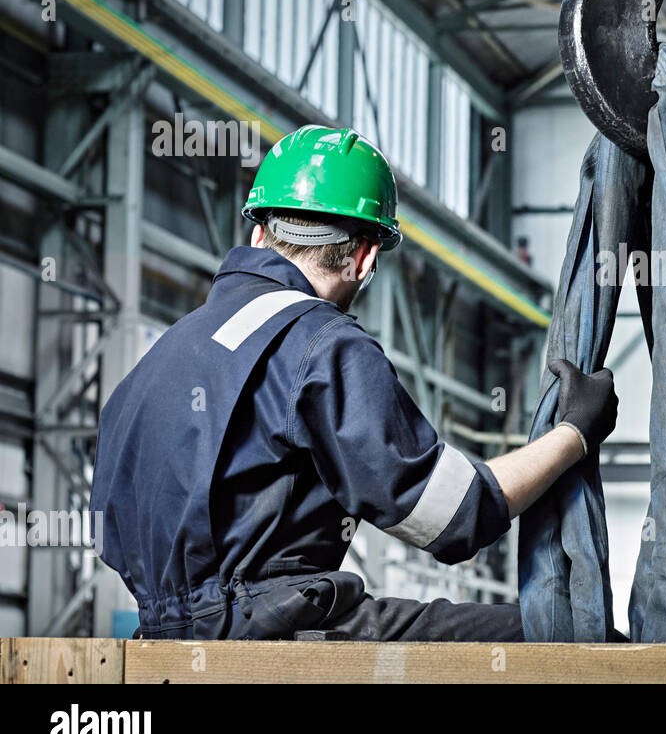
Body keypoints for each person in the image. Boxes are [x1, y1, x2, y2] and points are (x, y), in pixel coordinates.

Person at [91, 125, 618, 641]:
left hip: (157, 633)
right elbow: (453, 515)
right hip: (271, 632)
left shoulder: (164, 354)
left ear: (258, 233)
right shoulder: (323, 343)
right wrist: (575, 431)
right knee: (563, 636)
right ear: (365, 257)